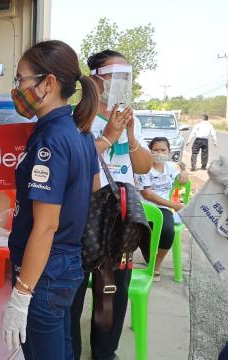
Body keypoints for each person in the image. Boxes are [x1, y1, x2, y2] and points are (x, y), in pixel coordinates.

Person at [1, 40, 101, 360]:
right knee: (62, 346)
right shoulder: (79, 129)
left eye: (21, 80)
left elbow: (46, 226)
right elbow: (93, 187)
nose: (16, 89)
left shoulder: (52, 139)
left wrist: (22, 293)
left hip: (46, 272)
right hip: (66, 263)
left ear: (48, 83)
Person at [70, 50, 153, 360]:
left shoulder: (132, 117)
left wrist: (130, 135)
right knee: (75, 286)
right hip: (84, 213)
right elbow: (75, 165)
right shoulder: (79, 116)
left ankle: (105, 352)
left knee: (113, 290)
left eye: (126, 78)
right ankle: (71, 351)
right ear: (96, 80)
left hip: (119, 217)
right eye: (115, 78)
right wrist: (107, 135)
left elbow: (143, 167)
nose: (122, 84)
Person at [135, 137, 189, 281]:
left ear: (168, 152)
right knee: (139, 233)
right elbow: (147, 194)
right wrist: (174, 206)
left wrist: (184, 171)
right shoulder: (143, 167)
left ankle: (156, 266)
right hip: (145, 207)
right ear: (149, 151)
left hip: (163, 208)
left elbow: (181, 170)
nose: (159, 153)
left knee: (167, 232)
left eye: (163, 150)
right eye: (155, 150)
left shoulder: (170, 167)